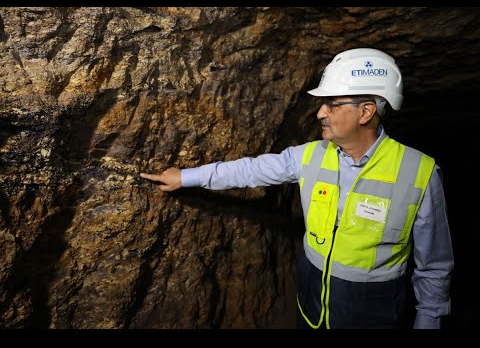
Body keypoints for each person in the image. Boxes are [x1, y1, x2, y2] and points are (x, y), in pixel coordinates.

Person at [139, 48, 454, 329]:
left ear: (365, 111)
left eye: (331, 104)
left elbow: (435, 265)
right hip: (312, 308)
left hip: (373, 315)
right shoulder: (310, 156)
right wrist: (186, 177)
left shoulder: (419, 173)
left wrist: (429, 321)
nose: (320, 113)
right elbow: (250, 169)